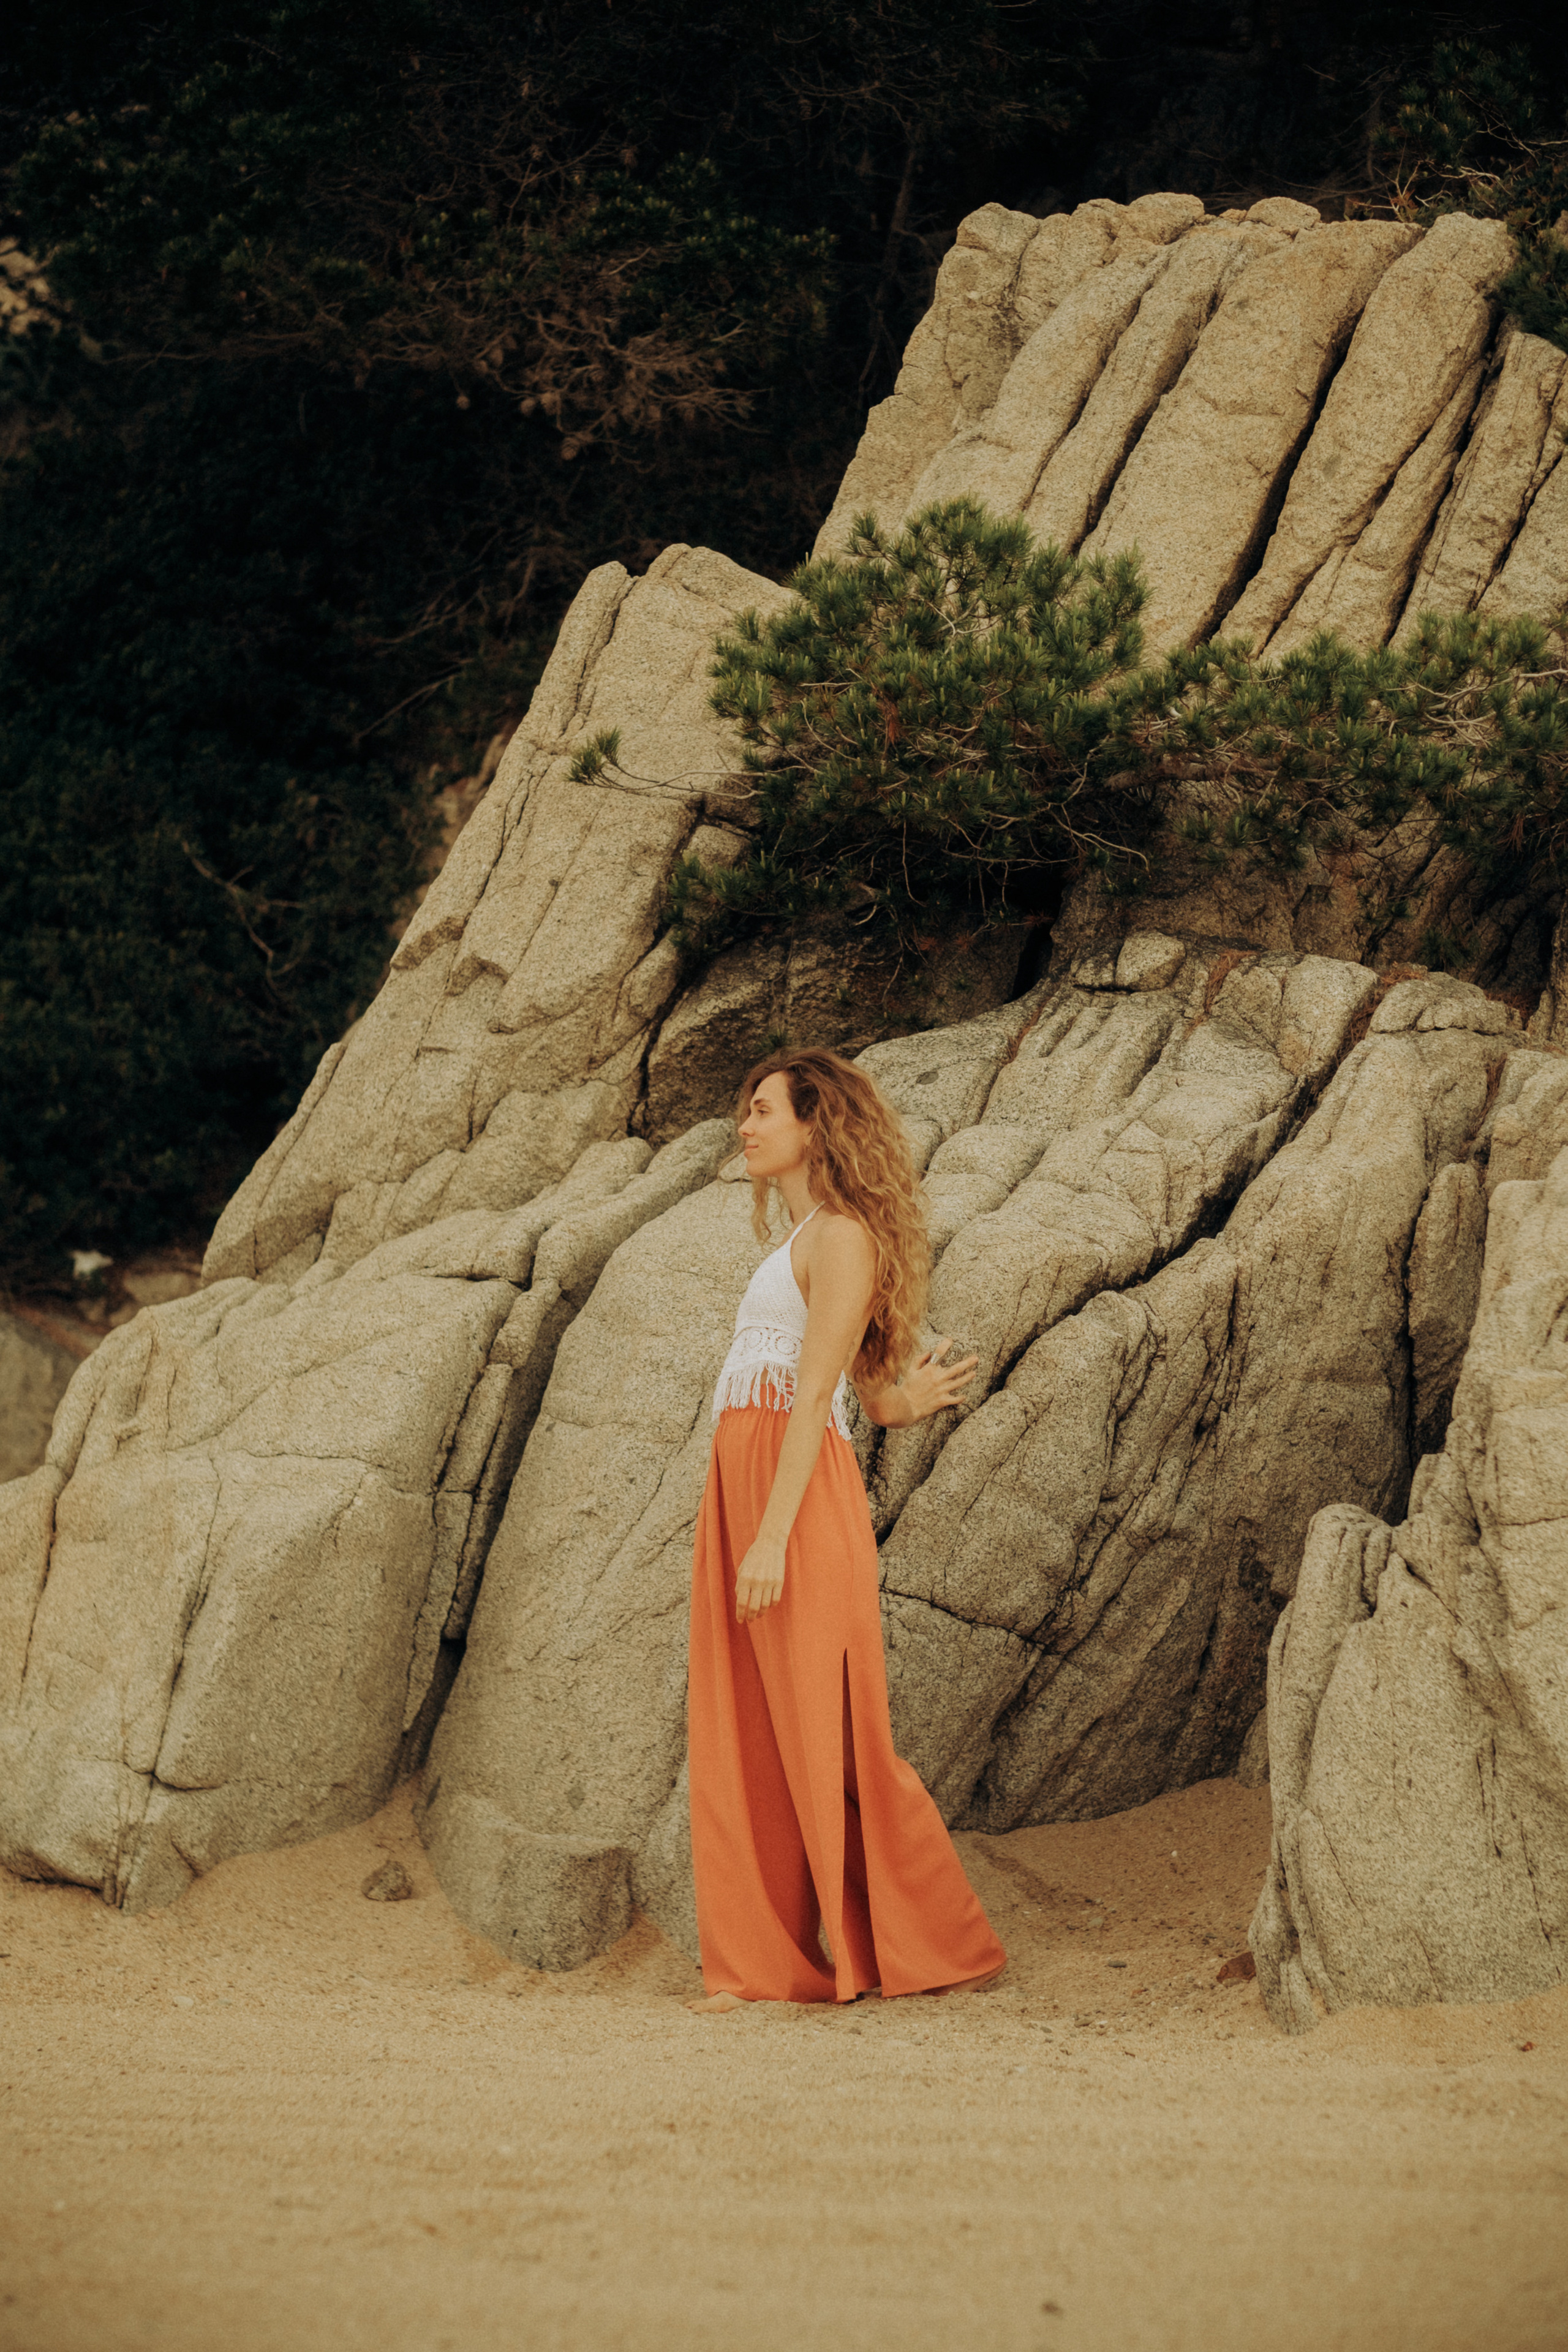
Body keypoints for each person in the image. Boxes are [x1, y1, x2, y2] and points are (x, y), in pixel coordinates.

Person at [685, 1046, 1008, 2012]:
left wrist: (773, 1538)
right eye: (746, 1110)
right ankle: (760, 1967)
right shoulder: (805, 1239)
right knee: (743, 1733)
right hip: (745, 1495)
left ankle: (931, 1944)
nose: (745, 1125)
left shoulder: (844, 1239)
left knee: (837, 1735)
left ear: (815, 1126)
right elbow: (874, 1401)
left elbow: (819, 1392)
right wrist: (914, 1395)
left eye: (763, 1109)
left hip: (793, 1508)